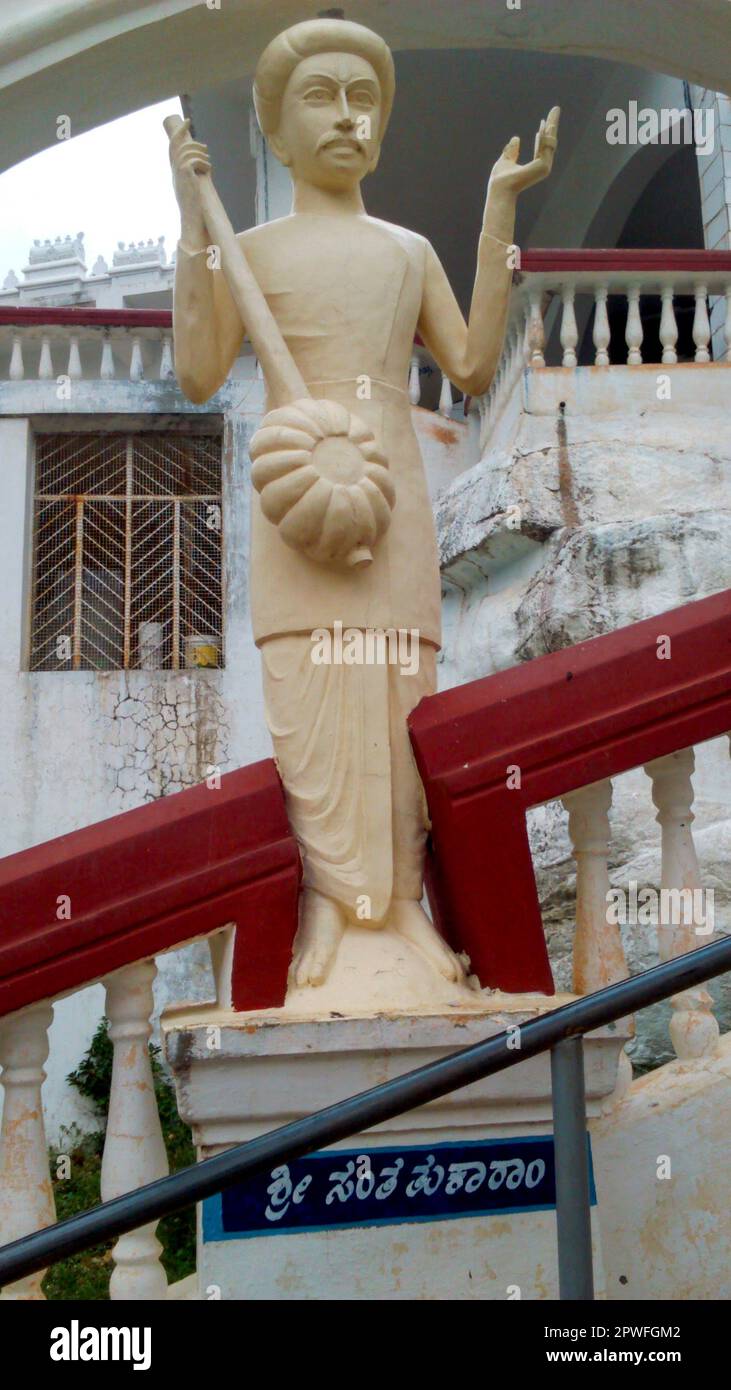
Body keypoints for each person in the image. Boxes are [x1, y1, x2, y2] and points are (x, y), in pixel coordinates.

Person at [169, 17, 559, 988]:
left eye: (364, 100)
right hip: (295, 497)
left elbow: (468, 364)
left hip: (391, 500)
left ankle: (404, 916)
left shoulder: (406, 250)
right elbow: (195, 368)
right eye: (321, 98)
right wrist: (191, 227)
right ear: (275, 129)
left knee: (398, 706)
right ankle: (333, 914)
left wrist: (495, 217)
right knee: (313, 705)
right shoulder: (247, 246)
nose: (347, 119)